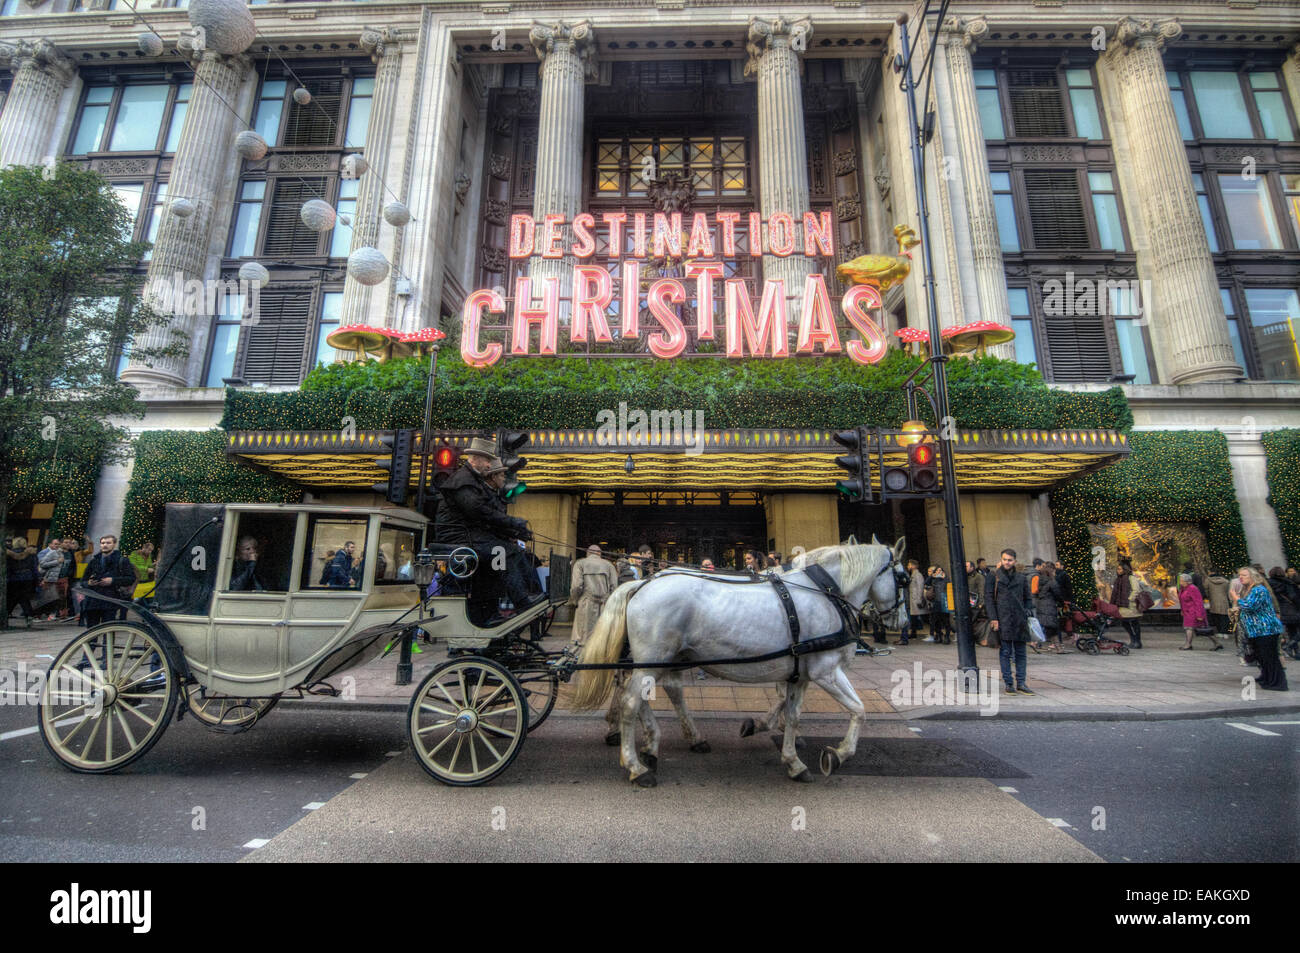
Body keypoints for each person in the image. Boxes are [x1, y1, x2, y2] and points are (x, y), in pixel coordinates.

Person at [436, 436, 542, 620]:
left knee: (511, 553)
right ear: (475, 459)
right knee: (503, 553)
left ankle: (501, 606)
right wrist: (512, 524)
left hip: (472, 534)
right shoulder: (463, 480)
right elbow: (479, 511)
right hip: (459, 536)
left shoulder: (473, 480)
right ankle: (523, 602)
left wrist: (515, 530)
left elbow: (487, 516)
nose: (488, 465)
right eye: (487, 460)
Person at [986, 548, 1035, 696]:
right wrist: (993, 618)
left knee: (1021, 653)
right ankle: (1009, 683)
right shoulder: (993, 576)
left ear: (1015, 561)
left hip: (1019, 618)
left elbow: (1028, 598)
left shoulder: (1021, 577)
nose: (1007, 562)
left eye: (1010, 560)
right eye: (1005, 559)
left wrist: (1027, 611)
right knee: (1005, 651)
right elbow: (988, 598)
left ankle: (1021, 682)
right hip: (1003, 618)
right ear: (1001, 560)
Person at [1236, 567, 1288, 691]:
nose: (1240, 577)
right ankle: (1268, 678)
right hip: (1255, 629)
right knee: (1262, 657)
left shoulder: (1259, 590)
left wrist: (1236, 598)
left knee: (1270, 657)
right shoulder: (1248, 589)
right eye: (1240, 575)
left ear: (1252, 577)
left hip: (1265, 629)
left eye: (1244, 575)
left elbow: (1249, 606)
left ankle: (1277, 683)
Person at [80, 535, 136, 629]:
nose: (105, 545)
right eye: (103, 543)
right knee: (92, 631)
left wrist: (113, 581)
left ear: (114, 544)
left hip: (111, 600)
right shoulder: (94, 561)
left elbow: (131, 579)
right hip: (93, 601)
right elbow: (83, 581)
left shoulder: (122, 560)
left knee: (108, 630)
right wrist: (89, 583)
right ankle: (92, 644)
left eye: (108, 543)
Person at [569, 544, 618, 644]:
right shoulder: (609, 565)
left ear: (588, 553)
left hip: (585, 604)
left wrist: (575, 600)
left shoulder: (580, 564)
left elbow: (576, 586)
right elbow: (614, 587)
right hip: (605, 605)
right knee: (602, 639)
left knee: (584, 639)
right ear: (599, 553)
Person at [5, 537, 39, 628]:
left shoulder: (8, 553)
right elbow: (34, 568)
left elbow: (7, 568)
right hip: (27, 578)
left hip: (13, 579)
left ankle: (5, 615)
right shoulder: (31, 553)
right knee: (24, 597)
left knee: (12, 598)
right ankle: (29, 615)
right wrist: (36, 580)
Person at [1267, 567, 1300, 656]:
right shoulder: (1287, 583)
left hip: (1277, 610)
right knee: (1294, 630)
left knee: (1291, 631)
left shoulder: (1267, 584)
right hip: (1291, 610)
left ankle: (1296, 652)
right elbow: (1294, 597)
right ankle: (1290, 646)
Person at [1034, 562, 1064, 653]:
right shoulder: (1052, 582)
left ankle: (1035, 643)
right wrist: (1062, 603)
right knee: (1052, 627)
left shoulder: (1040, 580)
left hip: (1041, 604)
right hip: (1049, 605)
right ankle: (1058, 648)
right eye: (1054, 571)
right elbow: (1057, 594)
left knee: (1044, 626)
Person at [1112, 560, 1143, 649]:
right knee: (1125, 623)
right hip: (1122, 605)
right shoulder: (1119, 579)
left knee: (1134, 622)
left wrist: (1129, 599)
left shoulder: (1131, 578)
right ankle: (1133, 640)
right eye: (1117, 569)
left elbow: (1136, 590)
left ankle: (1137, 642)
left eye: (1119, 569)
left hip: (1130, 605)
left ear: (1125, 569)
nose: (1118, 570)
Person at [1178, 573, 1212, 650]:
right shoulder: (1183, 589)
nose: (1180, 582)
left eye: (1181, 580)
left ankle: (1188, 644)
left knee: (1192, 628)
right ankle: (1188, 644)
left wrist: (1199, 614)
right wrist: (1182, 610)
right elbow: (1182, 601)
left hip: (1193, 612)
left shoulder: (1192, 588)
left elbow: (1198, 602)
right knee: (1190, 628)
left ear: (1187, 581)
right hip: (1187, 612)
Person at [925, 566, 950, 644]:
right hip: (935, 602)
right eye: (937, 570)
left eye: (940, 570)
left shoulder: (946, 579)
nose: (939, 572)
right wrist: (931, 576)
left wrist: (944, 578)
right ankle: (939, 635)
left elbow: (949, 585)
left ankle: (947, 636)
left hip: (944, 602)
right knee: (936, 621)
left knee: (946, 621)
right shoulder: (933, 579)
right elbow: (926, 583)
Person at [903, 558, 926, 645]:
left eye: (909, 565)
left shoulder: (917, 575)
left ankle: (914, 632)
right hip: (912, 598)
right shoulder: (913, 574)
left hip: (915, 598)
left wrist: (919, 599)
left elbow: (920, 587)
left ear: (913, 566)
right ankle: (913, 632)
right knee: (913, 617)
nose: (908, 566)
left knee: (915, 616)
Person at [1205, 569, 1232, 636]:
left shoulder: (1208, 581)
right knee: (1224, 617)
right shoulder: (1226, 581)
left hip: (1213, 601)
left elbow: (1206, 590)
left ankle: (1219, 631)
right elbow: (1228, 591)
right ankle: (1224, 632)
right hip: (1224, 600)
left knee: (1216, 616)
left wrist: (1208, 597)